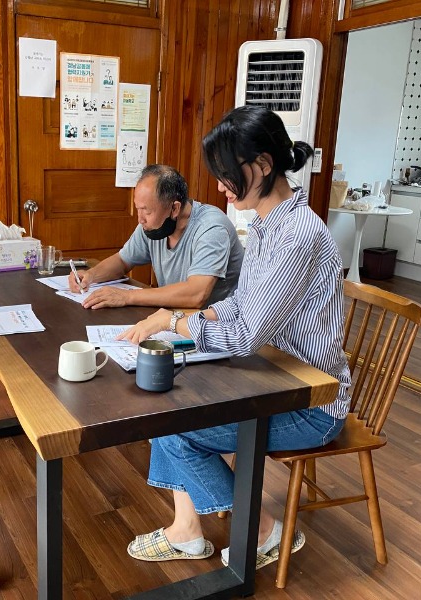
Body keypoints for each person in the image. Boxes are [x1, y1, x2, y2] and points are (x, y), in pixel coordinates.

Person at [120, 106, 352, 569]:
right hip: (272, 378)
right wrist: (189, 316)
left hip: (310, 401)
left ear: (263, 166)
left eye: (227, 176)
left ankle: (263, 531)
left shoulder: (299, 234)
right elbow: (241, 304)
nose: (221, 188)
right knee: (165, 409)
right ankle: (188, 531)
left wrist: (177, 322)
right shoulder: (269, 225)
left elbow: (246, 335)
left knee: (173, 426)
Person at [69, 164, 244, 310]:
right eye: (138, 208)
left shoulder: (211, 228)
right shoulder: (153, 224)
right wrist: (90, 276)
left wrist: (127, 296)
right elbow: (122, 261)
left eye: (147, 211)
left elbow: (196, 294)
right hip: (174, 319)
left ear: (174, 209)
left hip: (217, 331)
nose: (140, 219)